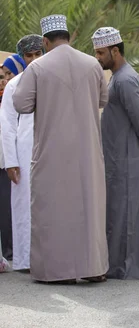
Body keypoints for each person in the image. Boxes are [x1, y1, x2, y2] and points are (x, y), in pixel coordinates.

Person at [12, 14, 109, 284]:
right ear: (69, 36)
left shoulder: (37, 67)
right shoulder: (92, 64)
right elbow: (103, 99)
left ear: (45, 41)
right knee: (88, 208)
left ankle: (57, 272)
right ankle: (93, 268)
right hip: (88, 153)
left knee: (53, 209)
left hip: (51, 153)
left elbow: (20, 105)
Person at [93, 27, 139, 280]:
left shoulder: (125, 79)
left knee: (126, 213)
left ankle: (126, 267)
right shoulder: (116, 77)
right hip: (118, 156)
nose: (97, 57)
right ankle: (119, 265)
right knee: (119, 212)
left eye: (100, 52)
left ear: (115, 51)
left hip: (127, 157)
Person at [0, 34, 43, 271]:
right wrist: (11, 162)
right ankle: (25, 260)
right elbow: (7, 127)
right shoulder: (15, 85)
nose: (35, 59)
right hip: (23, 155)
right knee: (23, 206)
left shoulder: (53, 80)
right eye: (30, 55)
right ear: (23, 57)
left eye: (38, 54)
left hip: (51, 152)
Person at [0, 59, 18, 261]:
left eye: (7, 75)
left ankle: (11, 250)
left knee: (8, 206)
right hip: (5, 157)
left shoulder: (17, 97)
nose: (4, 80)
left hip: (10, 160)